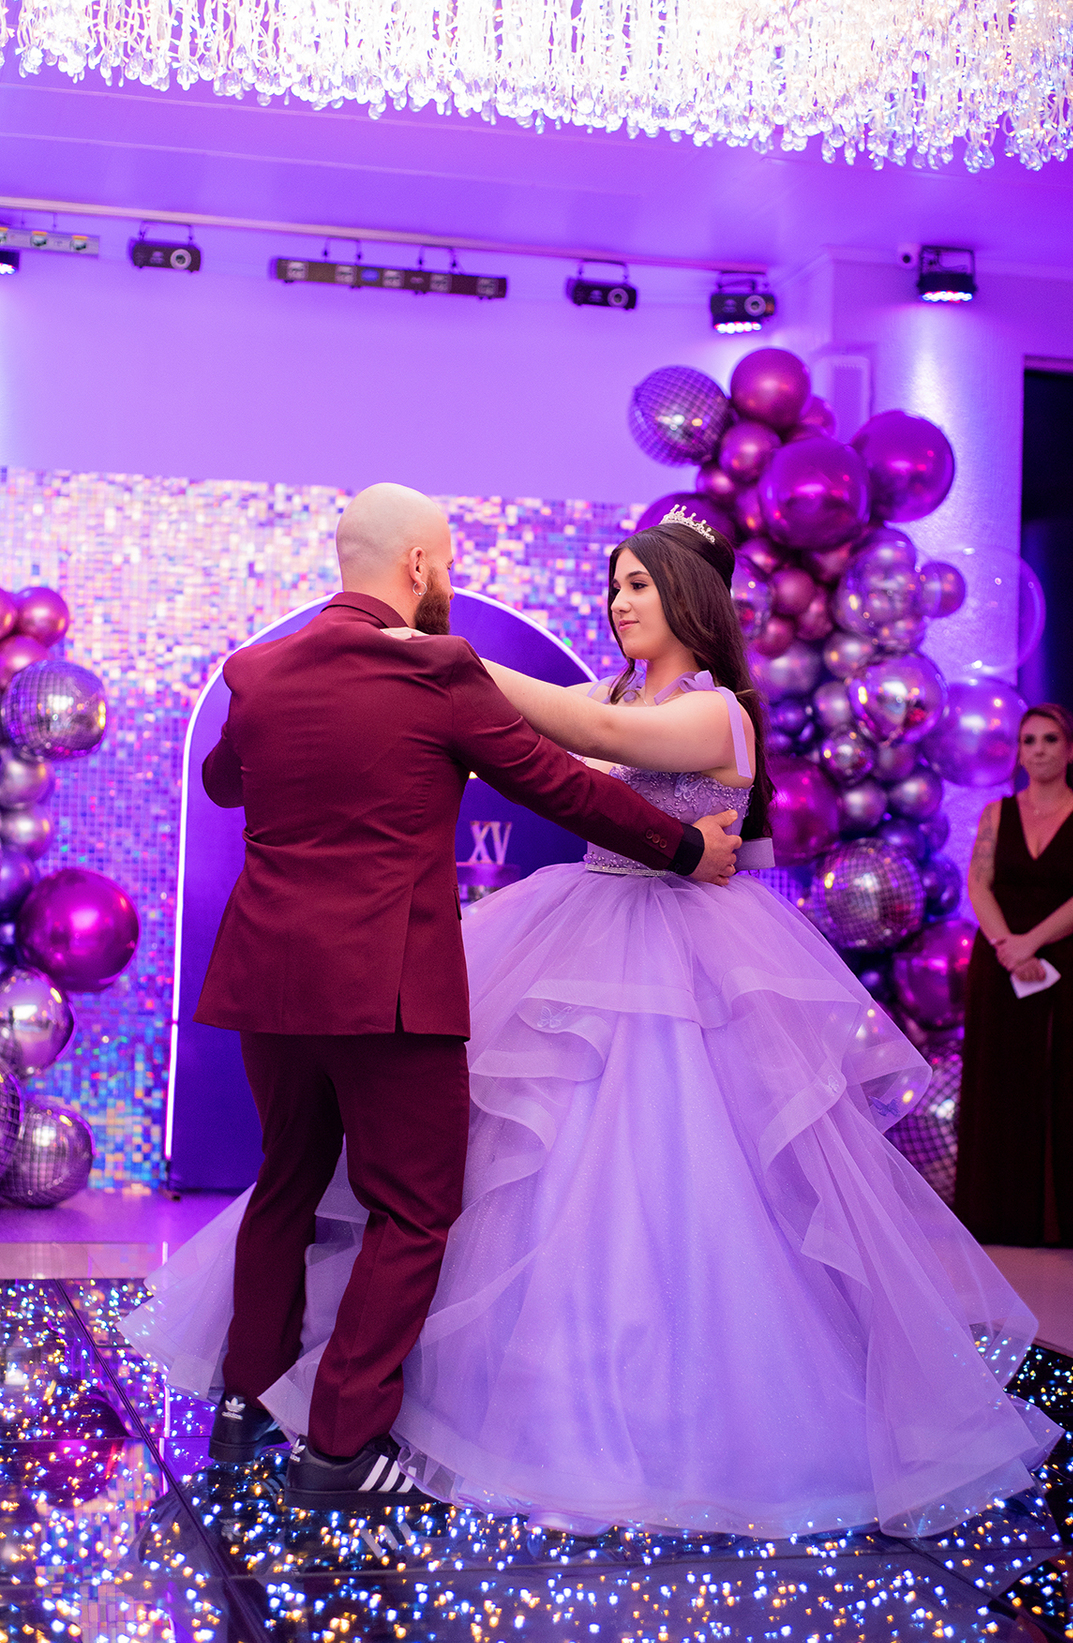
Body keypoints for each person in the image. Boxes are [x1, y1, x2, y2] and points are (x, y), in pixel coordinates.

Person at [126, 509, 1059, 1539]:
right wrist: (427, 672)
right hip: (586, 920)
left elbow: (598, 745)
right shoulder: (596, 689)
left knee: (666, 1176)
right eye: (614, 586)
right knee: (490, 1176)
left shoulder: (718, 714)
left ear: (694, 603)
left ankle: (642, 1411)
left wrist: (436, 657)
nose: (620, 604)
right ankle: (342, 1404)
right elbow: (552, 737)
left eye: (640, 587)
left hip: (687, 957)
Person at [160, 483, 741, 1512]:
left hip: (267, 979)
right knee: (415, 1208)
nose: (455, 582)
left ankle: (247, 1404)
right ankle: (342, 1445)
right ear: (421, 567)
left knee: (286, 1182)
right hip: (387, 985)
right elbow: (559, 788)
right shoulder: (433, 667)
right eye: (451, 563)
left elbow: (223, 784)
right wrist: (687, 844)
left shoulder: (257, 670)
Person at [956, 703, 1073, 1247]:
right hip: (1000, 963)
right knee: (998, 1083)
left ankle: (1058, 1221)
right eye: (1029, 741)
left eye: (1050, 739)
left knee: (1061, 1082)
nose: (1039, 749)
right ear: (1019, 752)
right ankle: (993, 1217)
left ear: (1071, 749)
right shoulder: (997, 813)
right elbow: (979, 885)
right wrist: (1006, 946)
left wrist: (1030, 942)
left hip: (1064, 963)